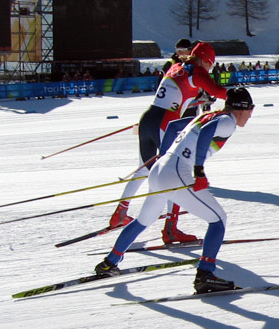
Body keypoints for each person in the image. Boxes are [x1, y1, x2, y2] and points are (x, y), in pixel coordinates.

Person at [95, 86, 255, 294]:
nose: (251, 115)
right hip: (177, 172)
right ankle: (205, 274)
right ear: (242, 109)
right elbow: (207, 132)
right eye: (251, 110)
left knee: (143, 220)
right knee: (218, 220)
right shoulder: (227, 121)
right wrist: (198, 169)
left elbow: (172, 127)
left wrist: (165, 155)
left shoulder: (207, 115)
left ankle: (109, 263)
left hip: (160, 170)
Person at [109, 41, 227, 245]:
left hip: (149, 118)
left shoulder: (176, 66)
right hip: (166, 122)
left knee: (144, 170)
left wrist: (197, 101)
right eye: (211, 65)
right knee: (171, 173)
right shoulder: (198, 71)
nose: (210, 69)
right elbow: (218, 91)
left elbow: (178, 96)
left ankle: (120, 212)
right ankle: (171, 229)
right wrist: (236, 97)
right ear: (206, 60)